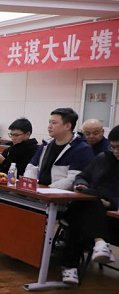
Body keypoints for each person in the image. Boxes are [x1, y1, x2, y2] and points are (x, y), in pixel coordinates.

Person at [58, 125, 119, 285]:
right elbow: (82, 176)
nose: (116, 151)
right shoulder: (104, 158)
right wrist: (80, 184)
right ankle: (100, 242)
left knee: (80, 211)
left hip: (113, 220)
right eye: (113, 147)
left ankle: (70, 266)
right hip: (95, 209)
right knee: (88, 198)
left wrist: (111, 203)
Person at [25, 108, 93, 189]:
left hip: (60, 194)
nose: (49, 126)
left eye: (54, 123)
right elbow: (31, 168)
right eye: (49, 122)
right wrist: (30, 185)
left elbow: (73, 178)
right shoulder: (46, 145)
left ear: (67, 126)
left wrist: (46, 190)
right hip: (39, 191)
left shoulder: (81, 149)